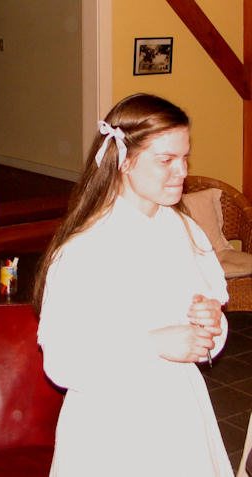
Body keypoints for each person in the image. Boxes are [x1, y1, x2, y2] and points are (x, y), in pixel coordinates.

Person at [33, 93, 233, 476]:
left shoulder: (184, 231)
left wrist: (211, 325)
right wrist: (152, 344)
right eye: (166, 160)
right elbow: (62, 361)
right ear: (124, 161)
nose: (182, 171)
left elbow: (207, 330)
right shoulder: (86, 250)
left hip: (181, 418)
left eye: (185, 157)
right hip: (112, 430)